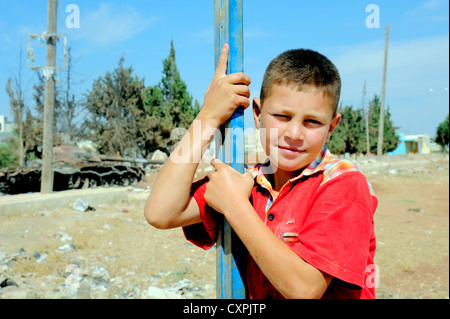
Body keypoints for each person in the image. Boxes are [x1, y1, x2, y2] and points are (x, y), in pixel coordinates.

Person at [144, 44, 378, 299]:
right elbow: (160, 212)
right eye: (282, 116)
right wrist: (208, 116)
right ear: (257, 113)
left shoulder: (342, 181)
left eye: (312, 122)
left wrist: (235, 206)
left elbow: (305, 289)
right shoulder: (247, 178)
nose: (294, 134)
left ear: (332, 126)